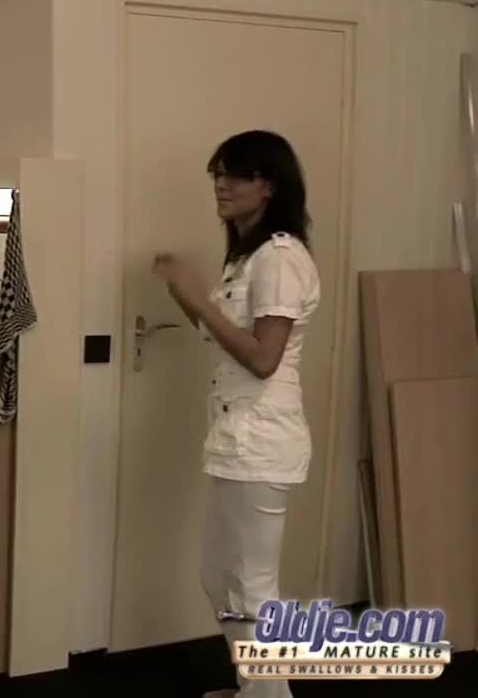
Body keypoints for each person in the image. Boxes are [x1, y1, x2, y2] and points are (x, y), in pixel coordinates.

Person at [151, 130, 320, 698]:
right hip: (236, 436)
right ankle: (254, 688)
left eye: (236, 175)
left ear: (268, 185)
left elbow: (263, 359)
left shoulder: (280, 257)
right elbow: (222, 335)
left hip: (262, 439)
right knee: (220, 577)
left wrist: (198, 299)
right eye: (218, 174)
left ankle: (270, 695)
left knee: (251, 585)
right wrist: (185, 292)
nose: (221, 185)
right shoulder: (249, 257)